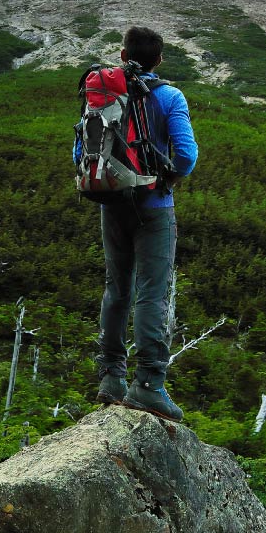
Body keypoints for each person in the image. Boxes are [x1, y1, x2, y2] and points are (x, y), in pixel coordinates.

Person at [85, 26, 198, 421]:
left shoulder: (102, 92)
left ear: (121, 55)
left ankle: (111, 378)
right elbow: (186, 155)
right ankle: (148, 385)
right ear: (160, 59)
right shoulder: (170, 95)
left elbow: (80, 149)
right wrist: (167, 178)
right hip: (155, 205)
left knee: (117, 288)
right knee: (153, 292)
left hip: (112, 203)